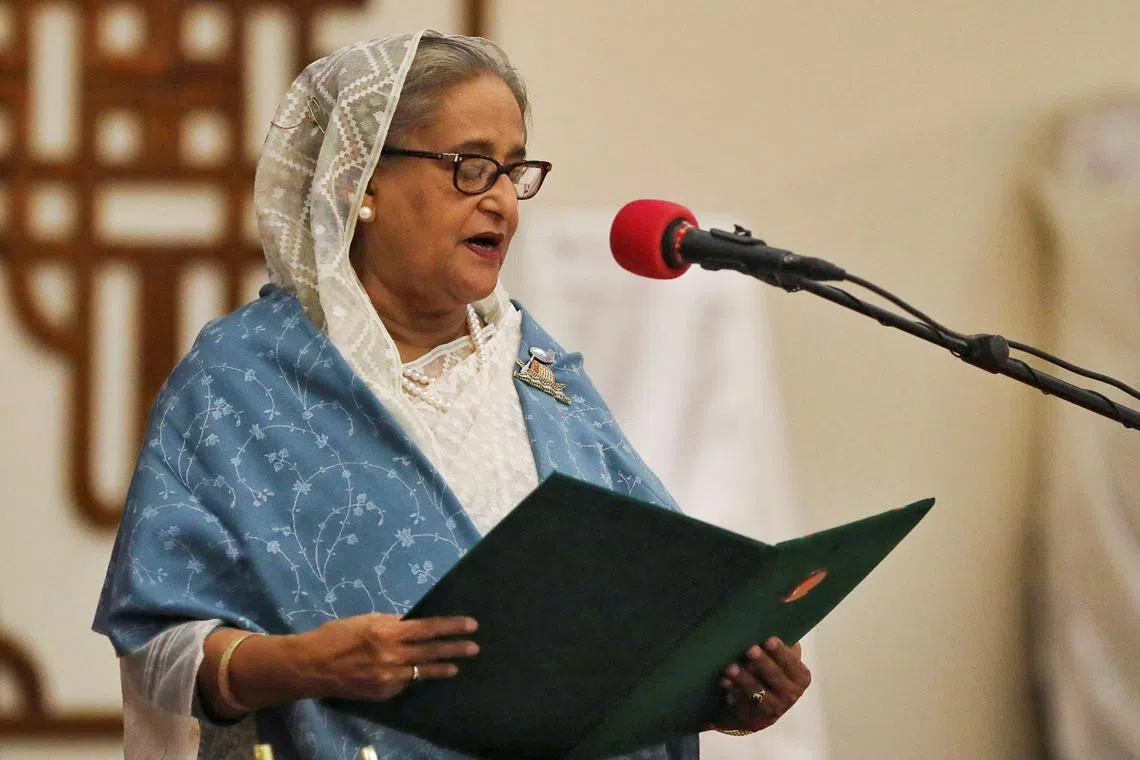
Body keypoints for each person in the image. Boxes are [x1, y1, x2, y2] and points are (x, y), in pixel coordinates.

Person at [92, 30, 812, 760]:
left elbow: (655, 607)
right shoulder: (242, 377)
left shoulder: (540, 369)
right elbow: (158, 644)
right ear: (360, 183)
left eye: (514, 170)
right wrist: (308, 663)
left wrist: (725, 686)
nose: (502, 200)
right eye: (471, 167)